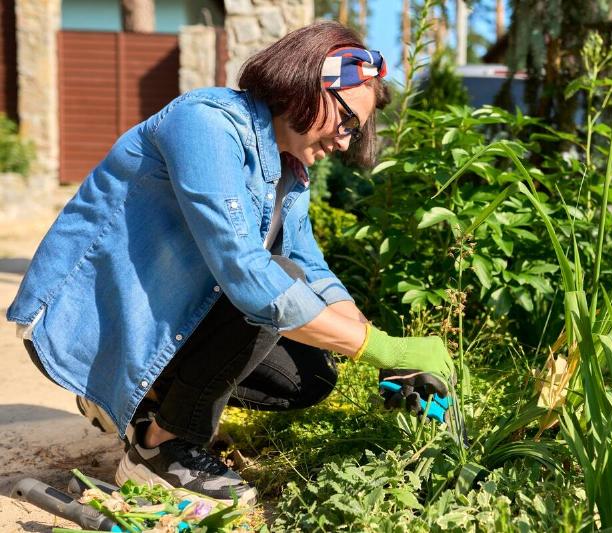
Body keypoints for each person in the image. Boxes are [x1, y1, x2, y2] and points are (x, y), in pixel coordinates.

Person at [7, 22, 454, 505]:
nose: (346, 142)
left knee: (310, 377)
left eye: (355, 131)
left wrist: (391, 355)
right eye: (347, 121)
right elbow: (243, 271)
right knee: (272, 284)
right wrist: (381, 348)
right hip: (93, 322)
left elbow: (313, 268)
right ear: (308, 83)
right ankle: (160, 450)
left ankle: (146, 407)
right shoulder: (206, 123)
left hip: (165, 319)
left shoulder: (289, 169)